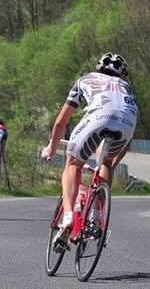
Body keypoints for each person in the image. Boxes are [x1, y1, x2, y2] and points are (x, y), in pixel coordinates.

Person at [41, 52, 138, 246]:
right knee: (107, 164)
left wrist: (51, 149)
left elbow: (61, 122)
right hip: (128, 125)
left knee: (73, 163)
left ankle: (68, 217)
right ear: (123, 75)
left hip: (98, 118)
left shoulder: (86, 79)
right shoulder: (128, 88)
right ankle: (95, 215)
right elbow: (127, 144)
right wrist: (109, 164)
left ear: (99, 68)